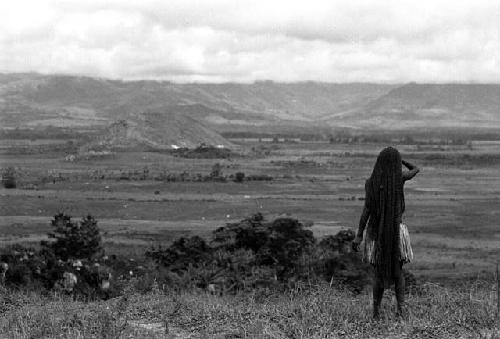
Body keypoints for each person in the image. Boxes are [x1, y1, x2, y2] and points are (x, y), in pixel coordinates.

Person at [352, 147, 419, 319]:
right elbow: (416, 169)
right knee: (398, 273)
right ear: (396, 163)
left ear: (379, 163)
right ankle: (401, 310)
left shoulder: (371, 183)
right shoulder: (400, 178)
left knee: (378, 273)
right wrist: (401, 160)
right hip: (397, 233)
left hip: (375, 233)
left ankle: (376, 312)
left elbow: (366, 211)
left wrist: (359, 234)